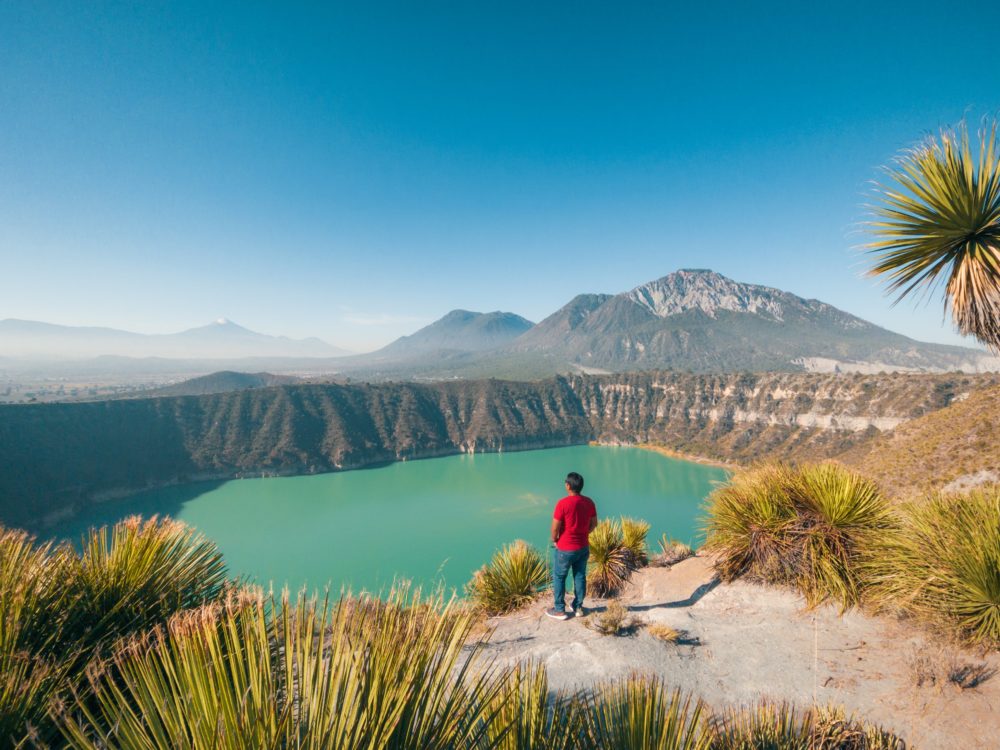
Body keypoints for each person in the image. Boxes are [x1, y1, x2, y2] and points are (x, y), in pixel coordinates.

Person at [546, 471, 597, 621]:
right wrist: (584, 533)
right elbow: (594, 524)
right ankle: (578, 607)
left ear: (568, 486)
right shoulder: (589, 502)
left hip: (565, 549)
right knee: (580, 576)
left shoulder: (562, 503)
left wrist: (555, 539)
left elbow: (555, 528)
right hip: (583, 547)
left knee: (559, 577)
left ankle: (559, 610)